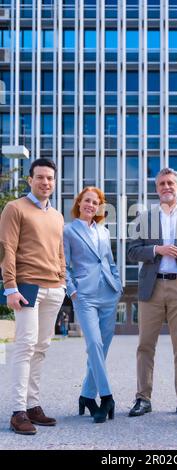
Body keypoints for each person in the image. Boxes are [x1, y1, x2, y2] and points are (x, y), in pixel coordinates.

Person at [127, 168, 177, 418]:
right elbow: (132, 251)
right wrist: (157, 249)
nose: (166, 187)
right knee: (145, 345)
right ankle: (143, 398)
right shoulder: (144, 218)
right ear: (156, 188)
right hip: (152, 286)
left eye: (171, 183)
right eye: (161, 183)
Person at [0, 158, 66, 435]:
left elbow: (60, 252)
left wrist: (62, 280)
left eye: (50, 178)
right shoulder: (14, 208)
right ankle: (18, 411)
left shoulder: (57, 215)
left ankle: (33, 404)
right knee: (25, 347)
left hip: (54, 288)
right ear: (30, 180)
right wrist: (10, 287)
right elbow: (7, 248)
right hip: (27, 287)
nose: (45, 182)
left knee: (41, 348)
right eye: (40, 177)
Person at [63, 187, 122, 424]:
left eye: (96, 202)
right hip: (85, 296)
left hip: (108, 293)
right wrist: (72, 291)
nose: (91, 205)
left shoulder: (103, 232)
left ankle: (87, 396)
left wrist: (117, 285)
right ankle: (106, 397)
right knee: (94, 343)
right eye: (87, 200)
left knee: (102, 348)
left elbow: (109, 261)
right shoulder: (68, 231)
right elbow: (64, 265)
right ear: (79, 203)